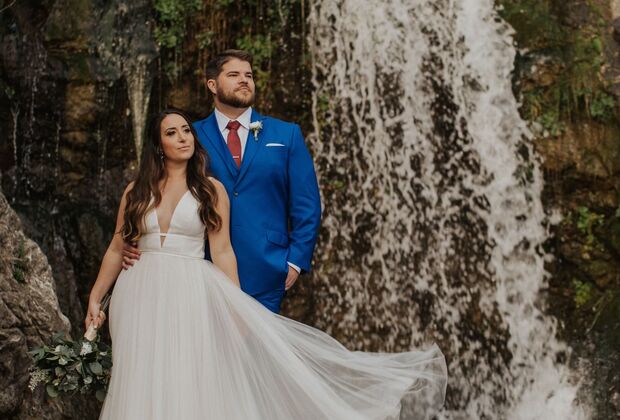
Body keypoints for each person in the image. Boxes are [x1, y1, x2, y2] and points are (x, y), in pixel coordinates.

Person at [86, 108, 447, 419]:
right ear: (157, 145)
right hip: (138, 293)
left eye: (186, 131)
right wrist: (96, 298)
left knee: (186, 374)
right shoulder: (135, 191)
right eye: (171, 133)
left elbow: (223, 251)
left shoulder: (211, 190)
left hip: (188, 291)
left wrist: (235, 306)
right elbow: (117, 248)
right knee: (139, 373)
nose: (183, 138)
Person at [122, 49, 321, 313]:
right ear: (212, 85)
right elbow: (158, 187)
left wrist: (295, 261)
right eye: (234, 74)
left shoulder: (287, 135)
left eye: (249, 75)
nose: (244, 80)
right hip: (199, 270)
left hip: (267, 268)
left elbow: (307, 204)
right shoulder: (190, 136)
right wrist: (138, 241)